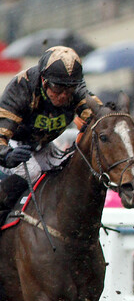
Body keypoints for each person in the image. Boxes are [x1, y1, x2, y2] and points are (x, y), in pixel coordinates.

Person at [0, 46, 103, 221]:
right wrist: (7, 155)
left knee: (68, 167)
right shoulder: (21, 87)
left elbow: (100, 118)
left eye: (69, 89)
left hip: (43, 145)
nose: (63, 95)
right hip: (13, 145)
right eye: (57, 88)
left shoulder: (76, 90)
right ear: (44, 80)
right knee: (31, 171)